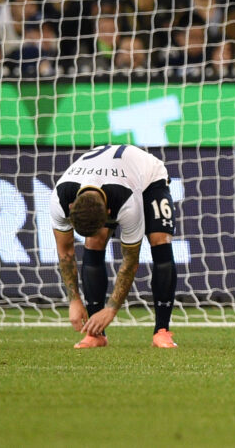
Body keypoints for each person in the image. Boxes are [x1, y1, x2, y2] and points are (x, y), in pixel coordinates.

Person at [51, 144, 179, 349]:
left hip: (148, 177)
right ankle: (95, 335)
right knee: (94, 241)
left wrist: (111, 309)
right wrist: (74, 300)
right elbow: (66, 252)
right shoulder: (60, 198)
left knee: (160, 240)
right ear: (71, 207)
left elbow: (130, 261)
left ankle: (161, 331)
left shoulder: (128, 203)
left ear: (109, 212)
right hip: (110, 176)